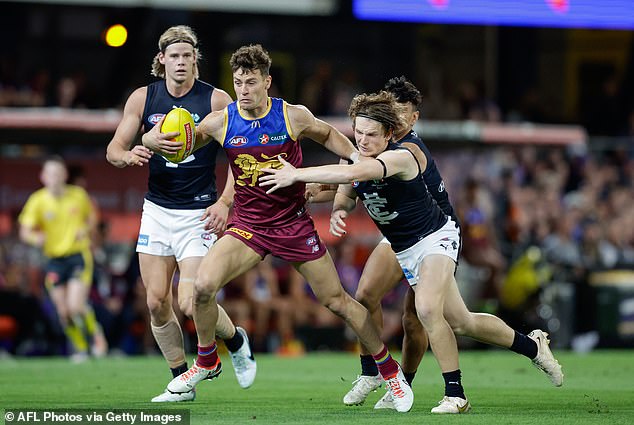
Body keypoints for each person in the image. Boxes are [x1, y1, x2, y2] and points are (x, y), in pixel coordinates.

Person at [142, 44, 414, 412]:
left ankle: (391, 373)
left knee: (338, 302)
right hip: (249, 227)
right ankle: (207, 361)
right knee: (202, 287)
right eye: (238, 82)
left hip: (292, 224)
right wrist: (149, 140)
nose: (243, 90)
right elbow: (179, 143)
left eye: (251, 82)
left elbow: (328, 135)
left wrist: (356, 159)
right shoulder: (221, 120)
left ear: (267, 82)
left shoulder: (292, 115)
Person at [260, 90, 564, 414]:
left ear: (388, 133)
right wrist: (334, 207)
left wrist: (297, 173)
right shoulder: (356, 154)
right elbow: (346, 188)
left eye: (370, 134)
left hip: (433, 238)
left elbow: (352, 175)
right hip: (399, 242)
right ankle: (531, 346)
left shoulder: (402, 155)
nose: (362, 140)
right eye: (358, 132)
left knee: (428, 311)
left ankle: (455, 394)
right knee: (436, 315)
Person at [105, 25, 256, 402]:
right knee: (156, 301)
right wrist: (138, 146)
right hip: (157, 210)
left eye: (188, 56)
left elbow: (244, 158)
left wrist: (225, 203)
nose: (181, 62)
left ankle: (235, 340)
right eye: (174, 55)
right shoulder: (143, 98)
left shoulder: (217, 100)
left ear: (195, 61)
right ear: (162, 60)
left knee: (190, 302)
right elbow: (114, 150)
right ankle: (180, 377)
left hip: (199, 213)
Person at [18, 156, 101, 361]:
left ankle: (97, 338)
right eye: (50, 174)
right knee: (63, 311)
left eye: (58, 173)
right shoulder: (37, 200)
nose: (54, 178)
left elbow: (92, 217)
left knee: (75, 306)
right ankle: (81, 348)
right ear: (43, 177)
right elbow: (24, 231)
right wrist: (35, 237)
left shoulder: (78, 195)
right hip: (54, 260)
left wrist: (86, 229)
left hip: (77, 256)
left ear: (64, 175)